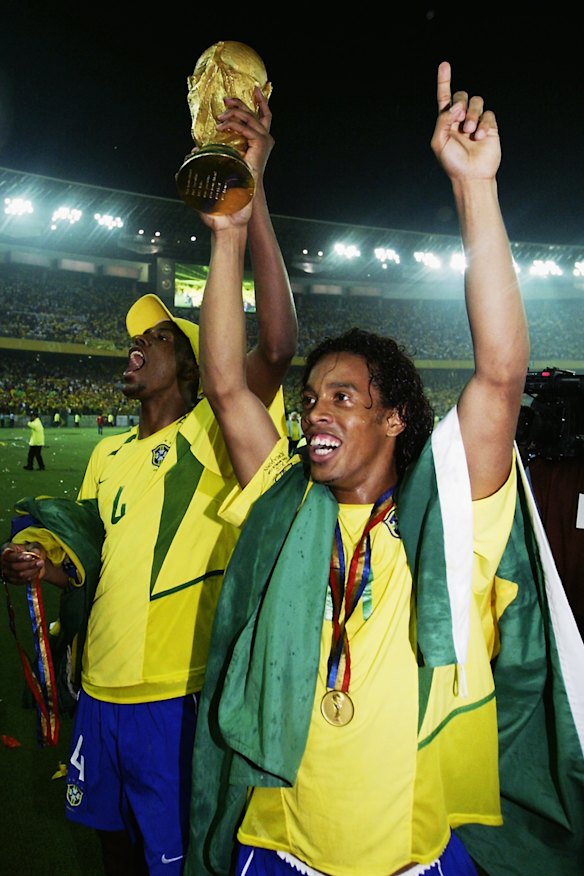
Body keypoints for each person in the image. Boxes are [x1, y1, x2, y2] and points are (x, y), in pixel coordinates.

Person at [185, 62, 584, 876]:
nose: (315, 412)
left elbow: (501, 372)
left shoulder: (451, 519)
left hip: (409, 861)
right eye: (310, 399)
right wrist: (229, 225)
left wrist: (476, 190)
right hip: (278, 852)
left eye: (343, 396)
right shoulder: (290, 503)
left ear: (396, 416)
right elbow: (226, 385)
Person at [0, 90, 297, 876]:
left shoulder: (213, 428)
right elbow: (84, 561)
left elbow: (277, 341)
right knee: (111, 855)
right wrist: (43, 564)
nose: (133, 348)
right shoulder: (106, 459)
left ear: (195, 364)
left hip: (175, 697)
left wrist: (250, 194)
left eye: (154, 339)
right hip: (98, 691)